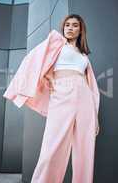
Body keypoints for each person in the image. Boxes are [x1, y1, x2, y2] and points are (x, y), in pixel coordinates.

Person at [30, 14, 100, 183]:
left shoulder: (84, 56)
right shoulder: (57, 45)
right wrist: (52, 80)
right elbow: (37, 63)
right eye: (67, 25)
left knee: (85, 150)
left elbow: (92, 87)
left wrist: (95, 117)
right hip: (62, 95)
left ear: (80, 29)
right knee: (51, 149)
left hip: (85, 99)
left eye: (74, 25)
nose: (69, 28)